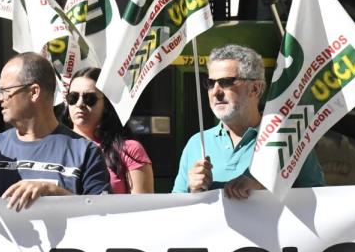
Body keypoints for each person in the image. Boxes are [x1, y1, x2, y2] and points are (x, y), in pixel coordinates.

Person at [0, 53, 110, 211]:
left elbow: (102, 218)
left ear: (34, 92)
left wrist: (52, 192)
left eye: (4, 90)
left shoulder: (86, 152)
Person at [173, 44, 325, 199]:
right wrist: (192, 190)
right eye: (211, 83)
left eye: (226, 82)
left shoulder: (289, 139)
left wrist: (265, 188)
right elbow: (176, 211)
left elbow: (320, 203)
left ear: (256, 89)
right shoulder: (197, 143)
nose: (216, 92)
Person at [65, 67, 153, 194]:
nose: (79, 104)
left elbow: (143, 209)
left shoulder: (129, 150)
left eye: (89, 98)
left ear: (106, 104)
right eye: (73, 97)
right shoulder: (53, 145)